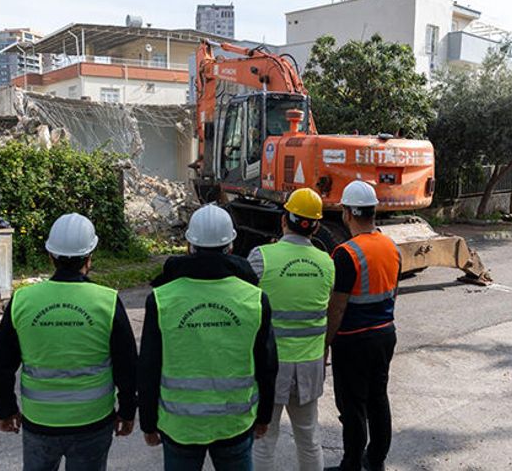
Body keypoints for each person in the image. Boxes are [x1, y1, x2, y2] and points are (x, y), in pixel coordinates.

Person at [0, 213, 137, 471]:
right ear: (90, 256)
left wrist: (6, 410)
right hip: (92, 421)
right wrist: (127, 411)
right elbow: (128, 367)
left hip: (40, 421)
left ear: (51, 256)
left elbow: (1, 365)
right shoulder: (107, 301)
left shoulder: (23, 301)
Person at [138, 204, 279, 471]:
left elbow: (148, 366)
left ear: (189, 246)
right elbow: (267, 365)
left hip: (180, 426)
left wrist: (147, 422)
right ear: (230, 247)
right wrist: (264, 417)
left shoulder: (161, 299)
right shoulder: (255, 299)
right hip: (235, 424)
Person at [250, 188, 335, 471]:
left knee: (264, 439)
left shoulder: (261, 257)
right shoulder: (327, 263)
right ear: (316, 227)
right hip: (310, 365)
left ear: (284, 219)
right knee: (309, 438)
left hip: (270, 365)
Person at [325, 181, 401, 471]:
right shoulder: (391, 246)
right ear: (373, 212)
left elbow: (338, 306)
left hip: (353, 340)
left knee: (352, 405)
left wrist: (326, 342)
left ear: (347, 213)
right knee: (378, 398)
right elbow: (393, 292)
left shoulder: (346, 253)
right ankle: (376, 460)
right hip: (385, 333)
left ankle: (352, 464)